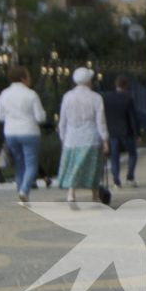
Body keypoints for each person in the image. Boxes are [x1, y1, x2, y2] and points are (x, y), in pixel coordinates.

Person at [56, 67, 110, 206]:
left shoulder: (67, 97)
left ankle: (71, 193)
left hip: (72, 138)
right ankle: (94, 194)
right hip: (90, 137)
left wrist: (62, 137)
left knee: (73, 166)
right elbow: (100, 121)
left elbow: (63, 120)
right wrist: (104, 139)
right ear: (89, 81)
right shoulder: (96, 98)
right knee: (93, 167)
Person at [0, 65, 47, 204]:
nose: (30, 79)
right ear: (23, 78)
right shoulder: (31, 94)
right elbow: (40, 117)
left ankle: (21, 191)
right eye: (28, 76)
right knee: (31, 164)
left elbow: (0, 115)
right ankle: (24, 190)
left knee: (19, 164)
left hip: (11, 132)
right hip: (29, 132)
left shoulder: (4, 94)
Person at [102, 74, 140, 189]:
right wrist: (137, 133)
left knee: (114, 156)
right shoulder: (128, 98)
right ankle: (130, 177)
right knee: (132, 154)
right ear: (126, 85)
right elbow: (133, 117)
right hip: (126, 131)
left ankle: (116, 181)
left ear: (116, 84)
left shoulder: (107, 97)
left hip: (112, 131)